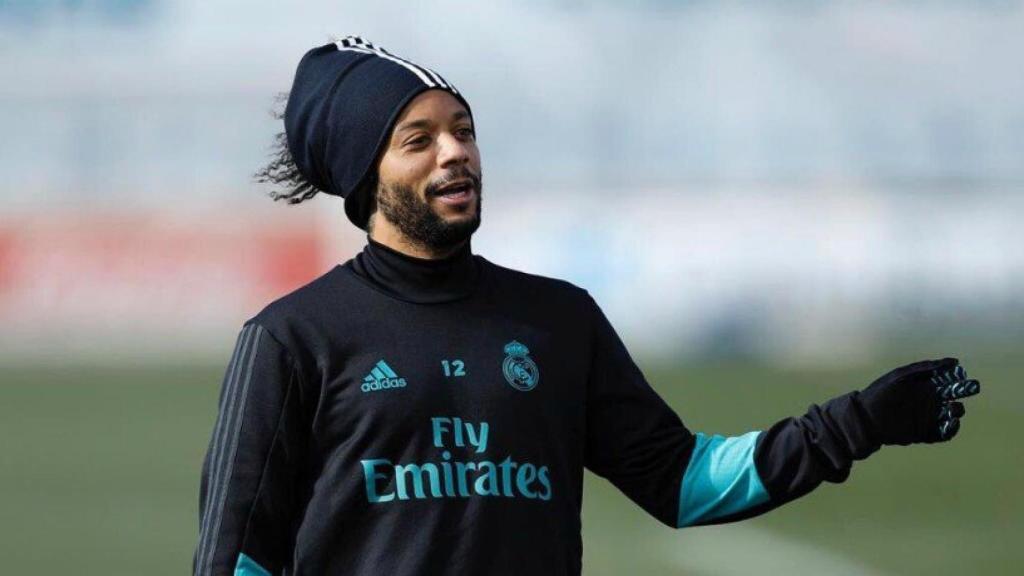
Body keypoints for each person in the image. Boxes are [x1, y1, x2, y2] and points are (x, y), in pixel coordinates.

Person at [193, 36, 981, 576]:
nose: (456, 151)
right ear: (367, 176)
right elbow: (236, 558)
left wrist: (858, 423)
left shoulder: (557, 321)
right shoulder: (293, 339)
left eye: (462, 129)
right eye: (419, 139)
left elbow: (685, 482)